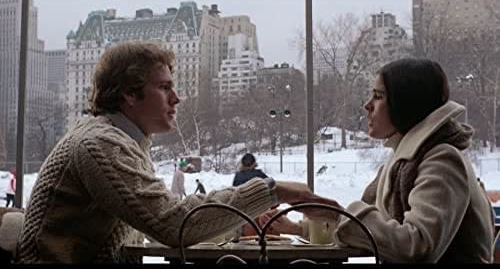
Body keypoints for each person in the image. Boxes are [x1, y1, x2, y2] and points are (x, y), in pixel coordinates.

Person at [16, 41, 323, 263]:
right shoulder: (100, 145)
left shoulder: (120, 140)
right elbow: (172, 223)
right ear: (129, 94)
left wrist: (239, 222)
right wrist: (273, 190)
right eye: (164, 88)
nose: (177, 98)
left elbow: (155, 222)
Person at [261, 58, 495, 263]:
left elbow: (418, 247)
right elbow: (372, 231)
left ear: (406, 103)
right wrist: (297, 229)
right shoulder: (403, 159)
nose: (367, 105)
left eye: (378, 96)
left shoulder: (442, 160)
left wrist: (337, 215)